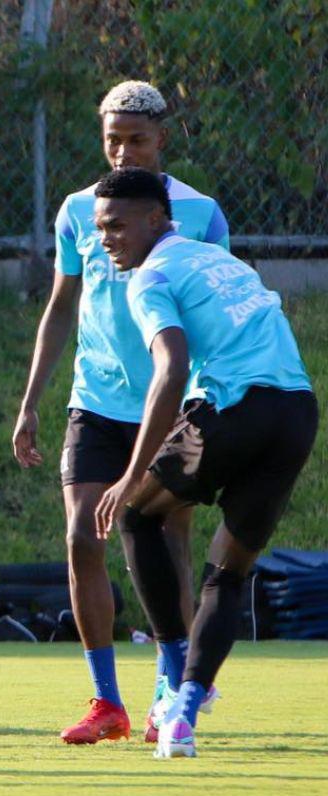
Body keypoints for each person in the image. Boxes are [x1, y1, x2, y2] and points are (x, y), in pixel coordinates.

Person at [11, 80, 231, 744]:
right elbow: (61, 308)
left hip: (174, 406)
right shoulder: (81, 209)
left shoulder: (202, 213)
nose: (124, 150)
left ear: (163, 136)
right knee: (83, 535)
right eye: (113, 138)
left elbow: (217, 309)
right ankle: (106, 701)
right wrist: (29, 403)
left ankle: (174, 686)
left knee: (168, 540)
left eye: (136, 137)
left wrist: (215, 395)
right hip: (96, 402)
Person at [90, 166, 317, 758]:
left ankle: (171, 671)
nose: (105, 238)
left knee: (136, 514)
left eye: (115, 225)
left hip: (233, 409)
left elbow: (170, 368)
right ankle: (185, 714)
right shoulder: (222, 262)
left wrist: (133, 472)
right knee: (228, 573)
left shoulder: (151, 276)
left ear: (155, 220)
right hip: (295, 414)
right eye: (97, 228)